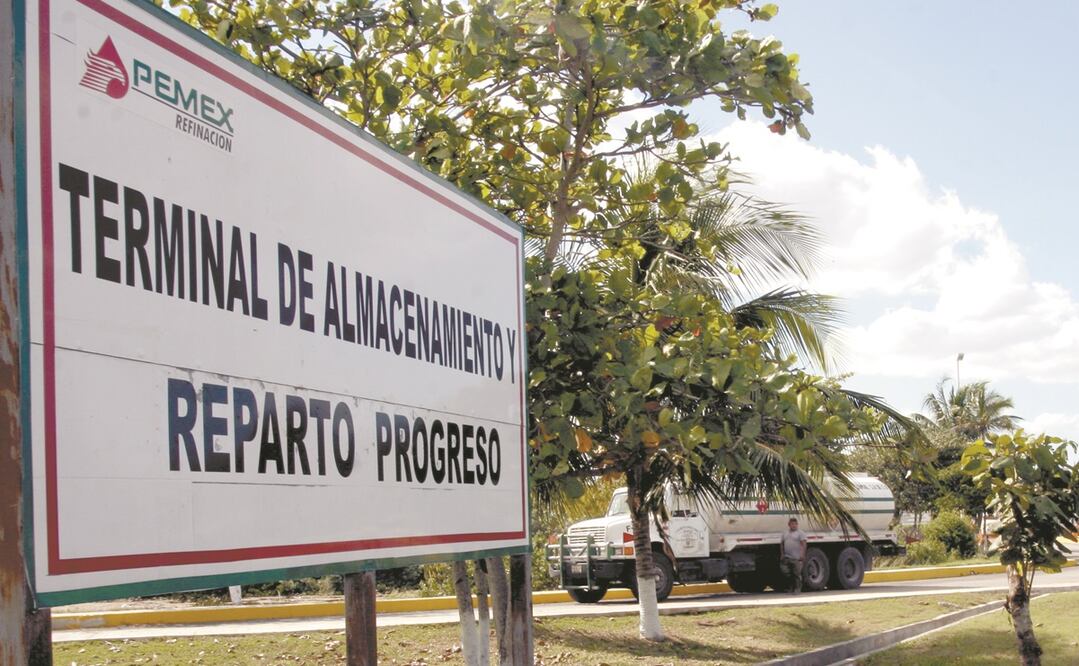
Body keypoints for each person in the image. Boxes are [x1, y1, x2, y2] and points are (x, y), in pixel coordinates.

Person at [779, 517, 808, 593]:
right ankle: (790, 588)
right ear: (789, 525)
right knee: (786, 572)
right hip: (787, 557)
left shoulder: (800, 533)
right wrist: (782, 554)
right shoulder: (785, 533)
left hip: (796, 558)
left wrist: (802, 554)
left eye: (795, 524)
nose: (794, 525)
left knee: (797, 574)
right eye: (792, 524)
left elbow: (804, 544)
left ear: (797, 524)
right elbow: (782, 544)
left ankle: (797, 589)